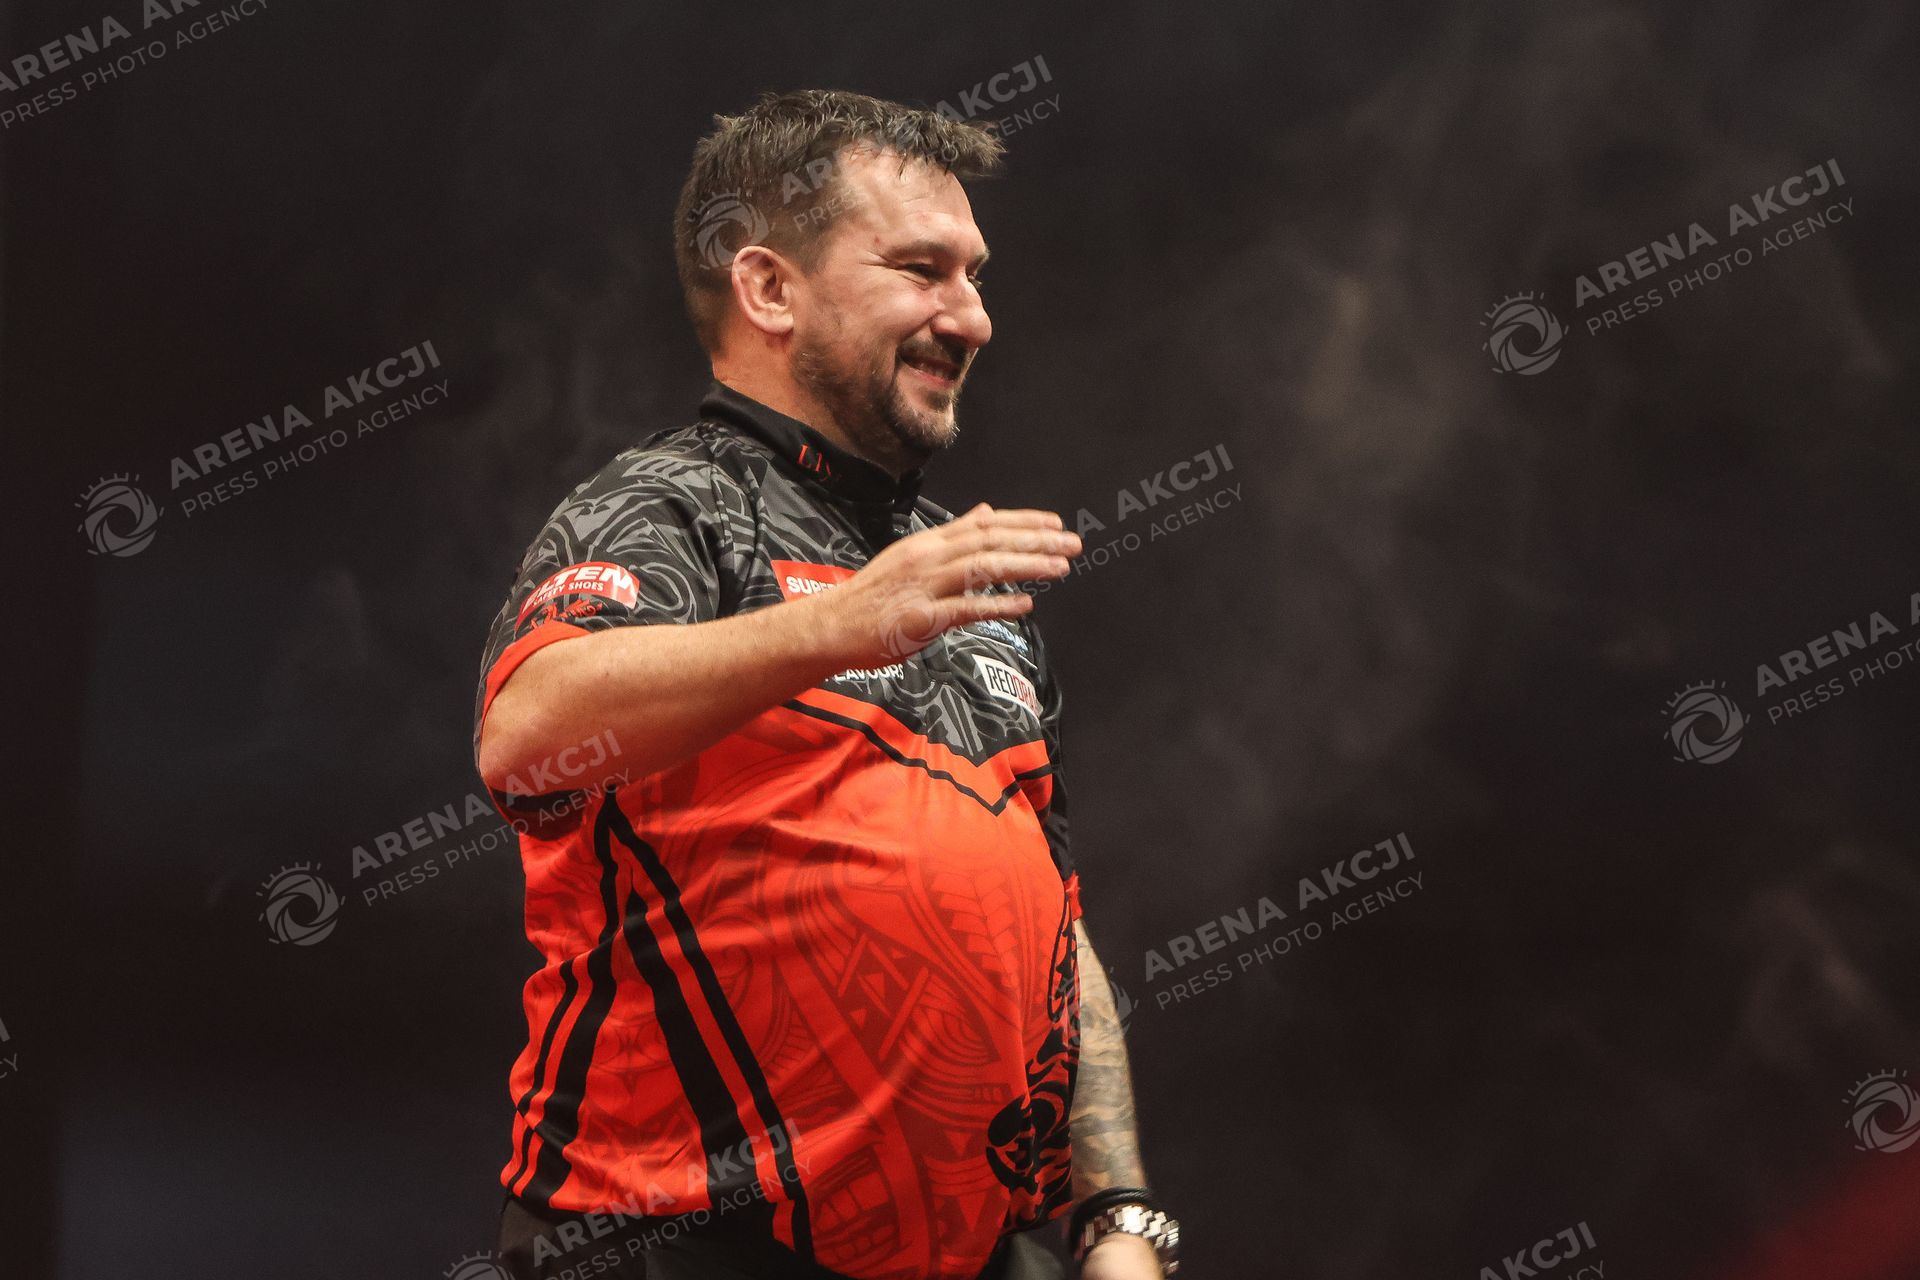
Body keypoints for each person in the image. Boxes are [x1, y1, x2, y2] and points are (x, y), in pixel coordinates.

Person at [472, 89, 1180, 1280]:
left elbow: (1051, 921)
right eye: (922, 269)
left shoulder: (950, 562)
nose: (973, 316)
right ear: (769, 288)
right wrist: (844, 624)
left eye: (974, 275)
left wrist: (1117, 1215)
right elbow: (526, 734)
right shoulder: (669, 504)